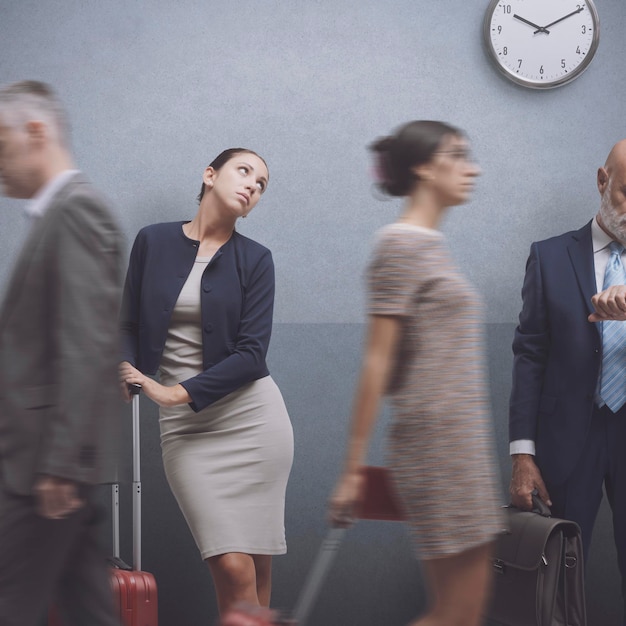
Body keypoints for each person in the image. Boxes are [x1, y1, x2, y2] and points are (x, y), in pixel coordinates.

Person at [328, 121, 502, 626]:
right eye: (459, 154)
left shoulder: (427, 246)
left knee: (459, 614)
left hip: (459, 442)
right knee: (457, 615)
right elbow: (377, 360)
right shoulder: (399, 245)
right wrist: (351, 470)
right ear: (425, 167)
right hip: (437, 445)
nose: (474, 167)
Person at [118, 148, 294, 617]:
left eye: (261, 184)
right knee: (235, 570)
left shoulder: (256, 260)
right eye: (244, 171)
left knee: (257, 569)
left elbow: (252, 354)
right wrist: (124, 365)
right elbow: (128, 324)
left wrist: (174, 392)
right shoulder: (152, 241)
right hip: (188, 433)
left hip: (253, 421)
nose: (252, 186)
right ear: (210, 174)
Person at [0, 81, 123, 625]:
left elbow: (85, 345)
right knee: (88, 607)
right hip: (56, 463)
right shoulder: (57, 215)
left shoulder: (75, 211)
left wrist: (61, 465)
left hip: (43, 467)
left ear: (35, 132)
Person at [509, 139, 626, 625]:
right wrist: (522, 453)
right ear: (603, 181)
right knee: (554, 576)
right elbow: (530, 355)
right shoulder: (550, 255)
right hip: (566, 439)